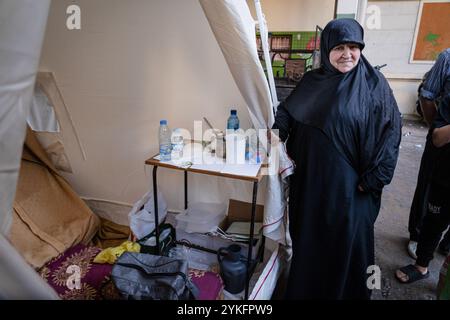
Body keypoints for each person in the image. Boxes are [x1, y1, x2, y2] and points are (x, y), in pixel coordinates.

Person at [271, 18, 401, 299]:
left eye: (354, 46)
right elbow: (290, 110)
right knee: (310, 244)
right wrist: (277, 131)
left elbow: (391, 135)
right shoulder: (312, 80)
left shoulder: (374, 85)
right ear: (327, 47)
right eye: (339, 47)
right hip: (310, 186)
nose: (347, 54)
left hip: (350, 192)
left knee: (346, 251)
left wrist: (374, 180)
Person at [396, 48, 450, 284]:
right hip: (445, 168)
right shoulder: (447, 60)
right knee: (434, 215)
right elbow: (438, 136)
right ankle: (422, 263)